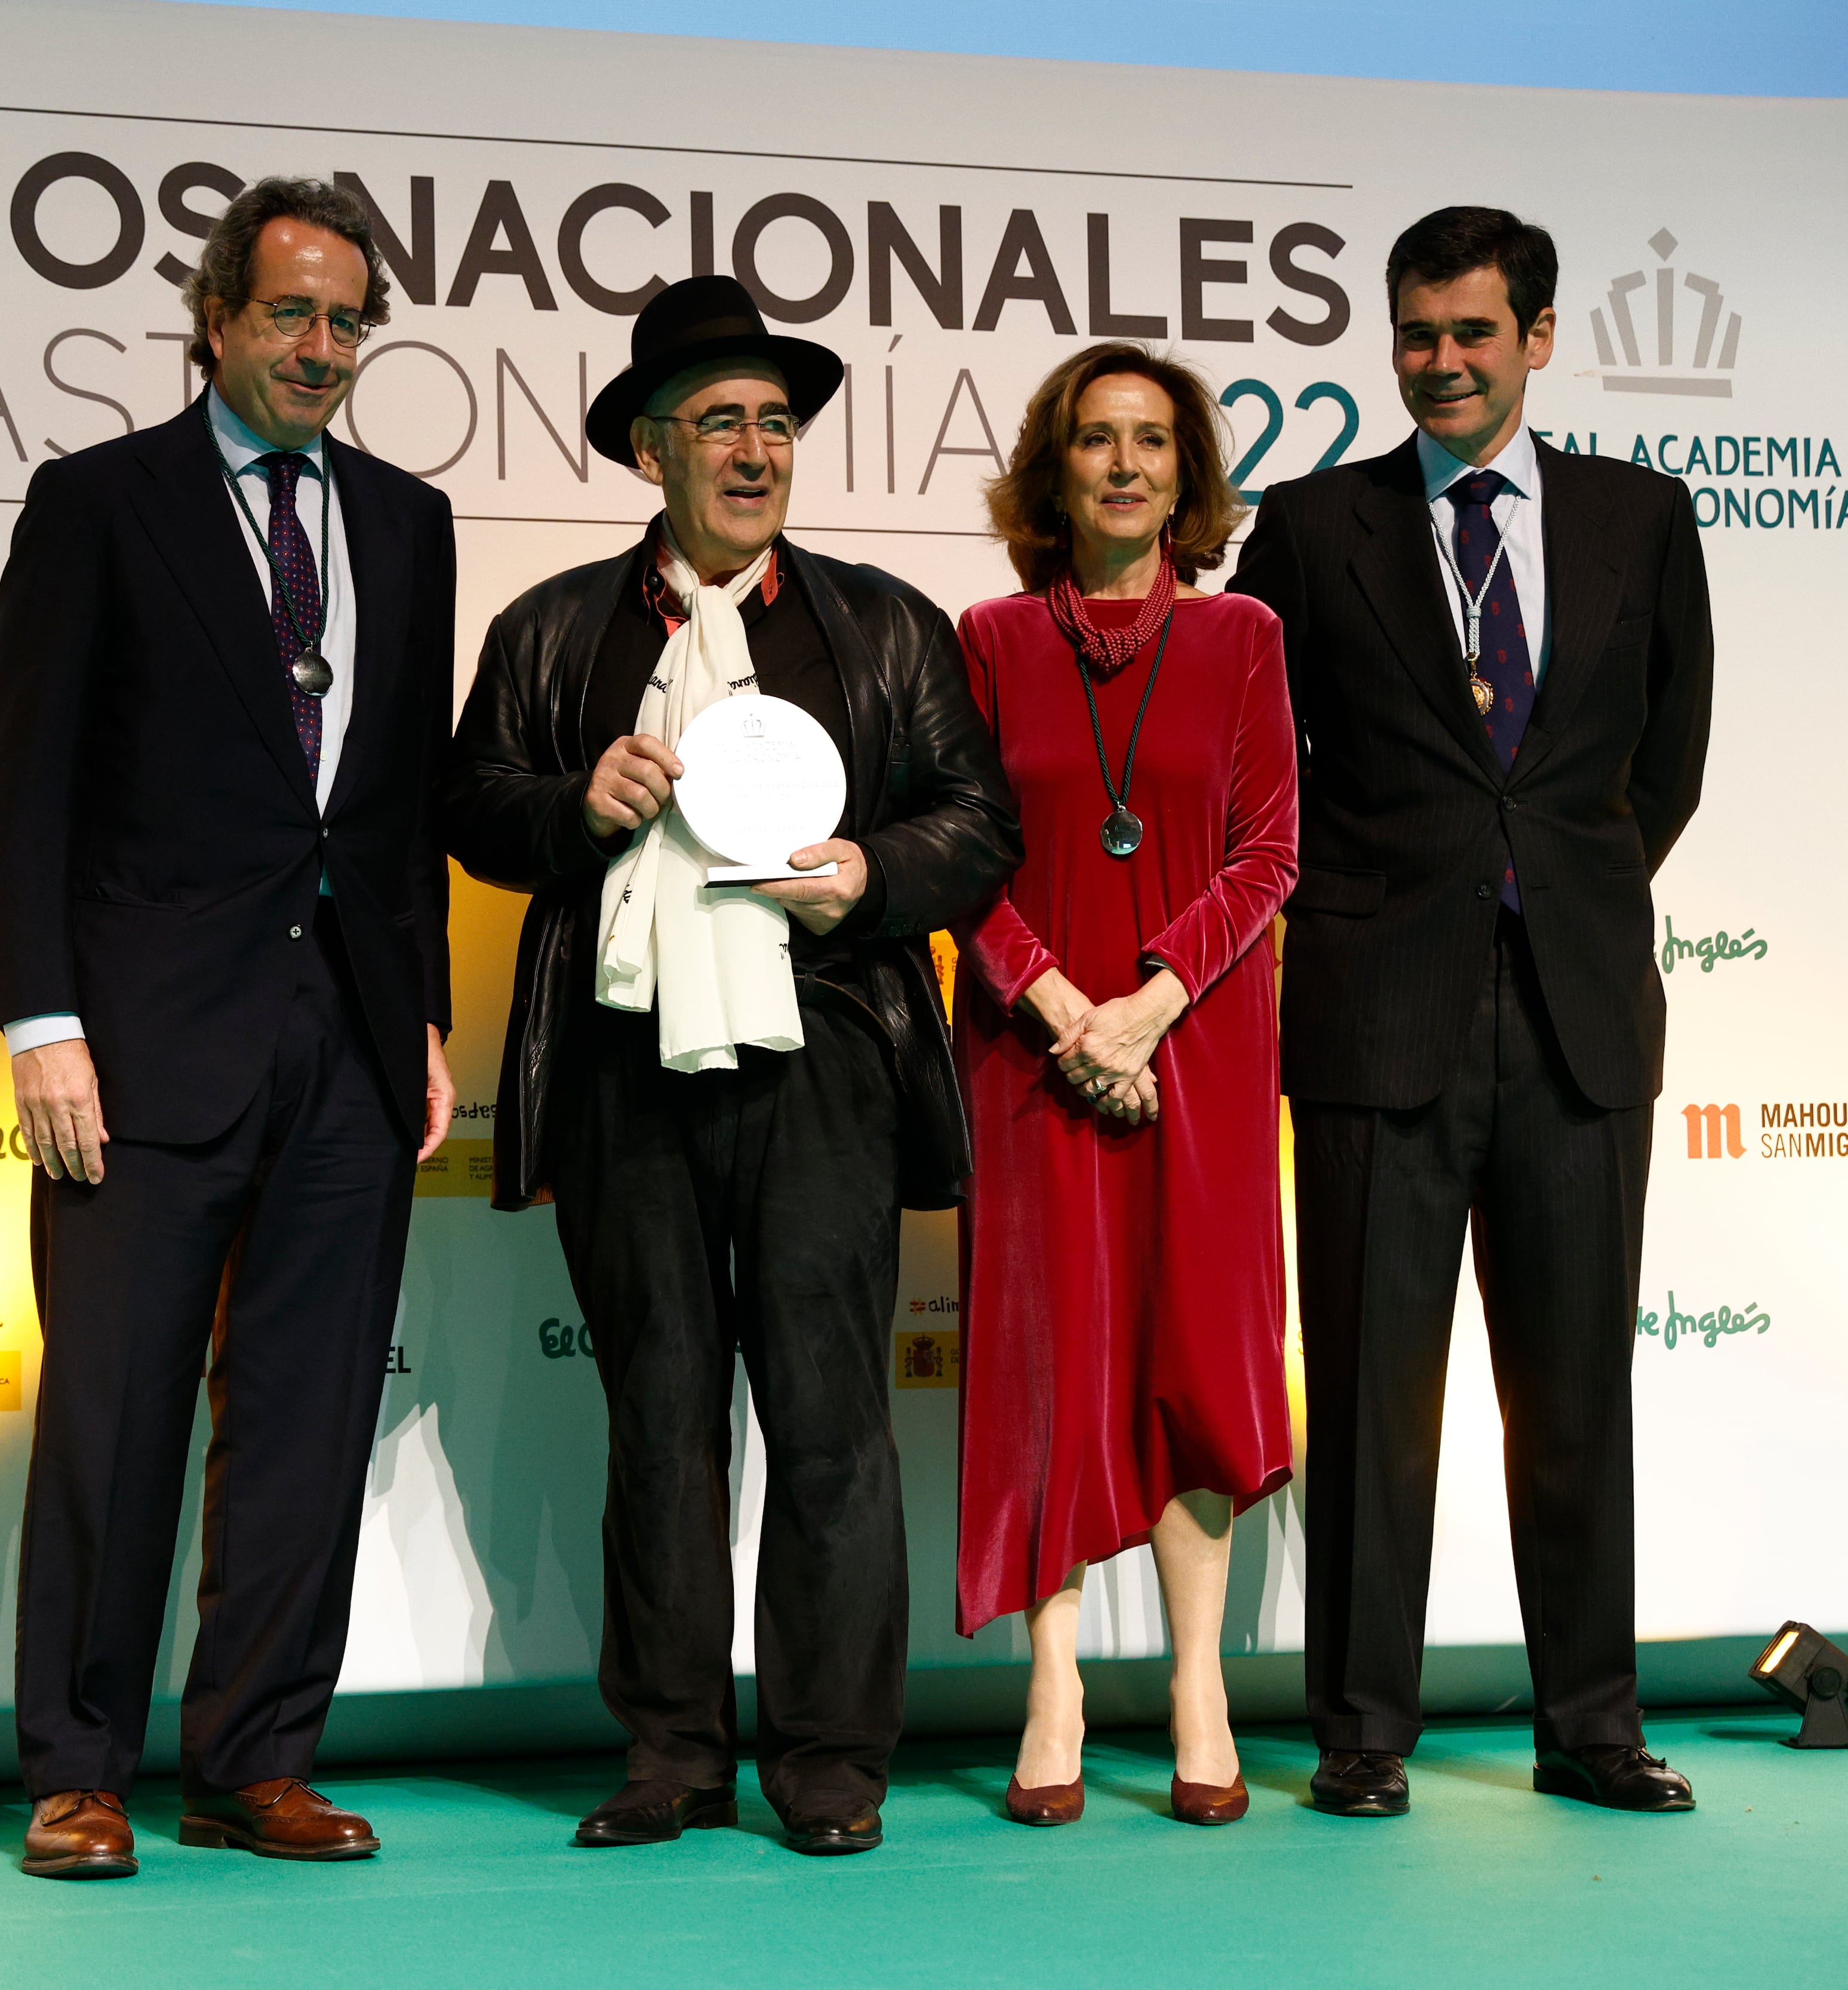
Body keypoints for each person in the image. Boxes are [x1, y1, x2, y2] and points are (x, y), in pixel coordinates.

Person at [438, 275, 1019, 1857]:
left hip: (823, 1054)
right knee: (659, 1414)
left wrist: (873, 875)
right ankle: (673, 1754)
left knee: (832, 1416)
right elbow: (473, 807)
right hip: (628, 1061)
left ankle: (832, 1760)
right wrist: (576, 801)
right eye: (718, 421)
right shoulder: (553, 628)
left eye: (775, 419)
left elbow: (979, 824)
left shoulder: (881, 624)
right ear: (649, 450)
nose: (755, 448)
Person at [0, 176, 459, 1878]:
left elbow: (390, 805)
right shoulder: (101, 503)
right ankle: (80, 1764)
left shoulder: (409, 522)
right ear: (218, 319)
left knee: (312, 1409)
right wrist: (43, 1016)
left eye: (350, 322)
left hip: (347, 1036)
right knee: (113, 1407)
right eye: (292, 315)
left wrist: (423, 1017)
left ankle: (254, 1754)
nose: (323, 349)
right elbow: (29, 782)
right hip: (143, 1034)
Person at [1228, 206, 1714, 1818]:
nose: (1440, 361)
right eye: (1416, 334)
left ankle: (1591, 1720)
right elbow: (1258, 766)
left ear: (1541, 337)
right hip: (1377, 1013)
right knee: (1374, 1394)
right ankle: (1363, 1729)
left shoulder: (1646, 518)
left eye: (1473, 334)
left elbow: (1666, 761)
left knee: (1576, 1389)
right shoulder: (1310, 527)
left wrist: (1558, 887)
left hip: (1576, 1012)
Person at [951, 345, 1298, 1828]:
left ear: (1186, 471)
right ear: (1053, 467)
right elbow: (958, 852)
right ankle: (1055, 1680)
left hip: (1198, 1043)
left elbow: (1269, 851)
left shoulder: (1242, 635)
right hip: (1029, 1049)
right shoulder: (985, 636)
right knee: (1049, 1357)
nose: (1122, 465)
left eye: (1151, 441)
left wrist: (1146, 1009)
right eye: (1094, 440)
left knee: (1191, 1351)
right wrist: (1061, 1010)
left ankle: (1198, 1682)